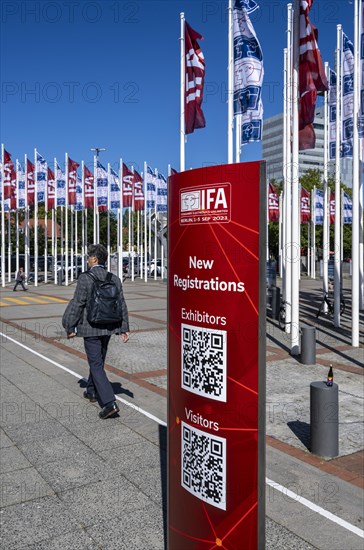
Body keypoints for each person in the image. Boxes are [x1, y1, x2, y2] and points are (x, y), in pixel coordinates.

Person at [62, 244, 130, 419]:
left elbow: (77, 303)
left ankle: (109, 403)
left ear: (94, 259)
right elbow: (121, 304)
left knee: (96, 364)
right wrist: (124, 328)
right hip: (108, 327)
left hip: (90, 328)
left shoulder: (85, 278)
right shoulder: (114, 278)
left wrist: (69, 326)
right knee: (97, 361)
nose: (86, 260)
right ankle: (92, 391)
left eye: (88, 257)